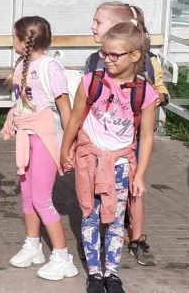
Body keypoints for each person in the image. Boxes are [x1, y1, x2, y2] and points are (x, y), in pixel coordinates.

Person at [61, 21, 157, 293]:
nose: (107, 59)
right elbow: (75, 119)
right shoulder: (91, 83)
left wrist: (140, 175)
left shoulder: (144, 92)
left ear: (135, 55)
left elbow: (146, 137)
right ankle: (94, 273)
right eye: (104, 53)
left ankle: (112, 274)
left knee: (116, 220)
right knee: (89, 215)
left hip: (121, 164)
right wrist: (65, 149)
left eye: (114, 54)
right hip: (89, 161)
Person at [86, 1, 167, 266]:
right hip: (101, 141)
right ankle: (102, 236)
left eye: (98, 22)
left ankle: (137, 239)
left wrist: (156, 99)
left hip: (132, 138)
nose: (92, 27)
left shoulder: (145, 59)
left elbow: (155, 91)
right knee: (100, 189)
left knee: (134, 188)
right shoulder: (93, 60)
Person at [1, 17, 78, 280]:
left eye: (14, 36)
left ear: (25, 40)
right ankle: (33, 246)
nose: (12, 41)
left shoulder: (49, 67)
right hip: (26, 136)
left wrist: (69, 147)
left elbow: (66, 110)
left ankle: (63, 257)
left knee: (42, 200)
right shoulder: (22, 64)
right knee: (27, 196)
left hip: (46, 138)